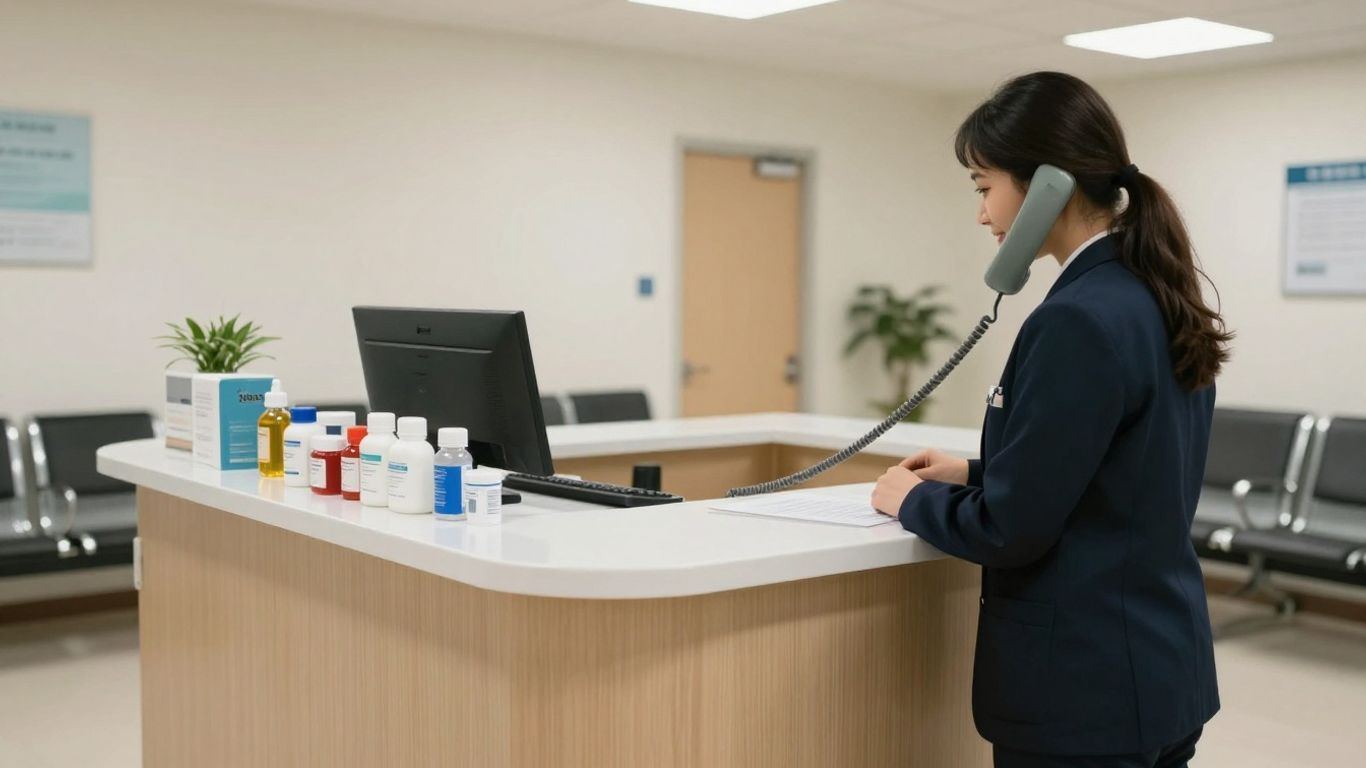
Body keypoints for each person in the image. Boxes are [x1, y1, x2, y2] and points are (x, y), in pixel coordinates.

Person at [870, 71, 1233, 768]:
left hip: (1083, 691)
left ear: (1046, 188)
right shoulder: (1153, 292)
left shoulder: (1076, 319)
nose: (980, 213)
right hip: (1159, 672)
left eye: (983, 186)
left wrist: (915, 500)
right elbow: (1122, 470)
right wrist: (976, 471)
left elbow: (1012, 529)